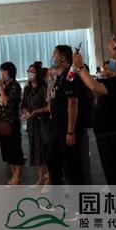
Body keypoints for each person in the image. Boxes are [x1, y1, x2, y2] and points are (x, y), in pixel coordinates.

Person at [73, 45, 116, 185]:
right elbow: (96, 88)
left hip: (114, 135)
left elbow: (94, 86)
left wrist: (81, 67)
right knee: (111, 175)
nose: (111, 61)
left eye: (114, 58)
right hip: (106, 134)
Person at [46, 45, 86, 185]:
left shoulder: (70, 77)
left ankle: (78, 196)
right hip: (56, 127)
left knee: (72, 167)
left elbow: (72, 104)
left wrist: (70, 131)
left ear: (62, 58)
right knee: (52, 162)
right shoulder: (58, 78)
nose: (52, 57)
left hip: (67, 127)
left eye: (54, 54)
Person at [0, 62, 24, 185]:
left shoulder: (15, 85)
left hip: (11, 122)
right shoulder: (5, 85)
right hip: (2, 121)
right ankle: (14, 174)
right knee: (7, 150)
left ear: (10, 72)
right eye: (1, 71)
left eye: (4, 71)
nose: (2, 74)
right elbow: (2, 102)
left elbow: (7, 103)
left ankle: (17, 176)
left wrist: (1, 88)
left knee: (15, 149)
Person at [21, 64, 49, 186]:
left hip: (43, 122)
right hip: (31, 123)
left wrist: (37, 112)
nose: (30, 73)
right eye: (29, 71)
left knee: (45, 150)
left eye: (32, 71)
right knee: (36, 150)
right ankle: (40, 178)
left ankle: (49, 179)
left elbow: (49, 106)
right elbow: (23, 105)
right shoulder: (27, 89)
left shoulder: (43, 87)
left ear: (38, 73)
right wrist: (26, 112)